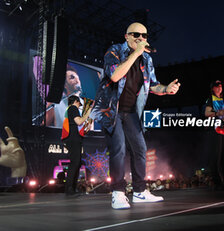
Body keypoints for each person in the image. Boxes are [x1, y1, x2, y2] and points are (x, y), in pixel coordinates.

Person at [92, 22, 180, 209]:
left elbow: (153, 84)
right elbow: (115, 75)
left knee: (140, 149)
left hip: (132, 111)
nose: (141, 38)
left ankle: (139, 191)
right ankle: (118, 193)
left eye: (145, 36)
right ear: (127, 36)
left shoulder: (147, 59)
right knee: (119, 149)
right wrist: (136, 54)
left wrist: (166, 89)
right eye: (136, 35)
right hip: (112, 110)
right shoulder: (114, 51)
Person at [204, 80, 224, 190]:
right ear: (213, 88)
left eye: (221, 86)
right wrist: (217, 113)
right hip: (215, 130)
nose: (220, 88)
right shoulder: (211, 99)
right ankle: (218, 182)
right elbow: (207, 113)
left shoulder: (221, 100)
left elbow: (223, 115)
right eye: (217, 86)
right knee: (216, 156)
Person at [62, 95, 92, 196]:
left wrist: (85, 128)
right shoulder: (73, 108)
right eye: (79, 102)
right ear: (75, 101)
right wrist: (88, 111)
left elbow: (78, 125)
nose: (80, 105)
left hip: (75, 138)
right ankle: (69, 189)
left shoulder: (71, 110)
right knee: (75, 163)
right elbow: (79, 121)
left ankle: (72, 188)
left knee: (77, 163)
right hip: (73, 139)